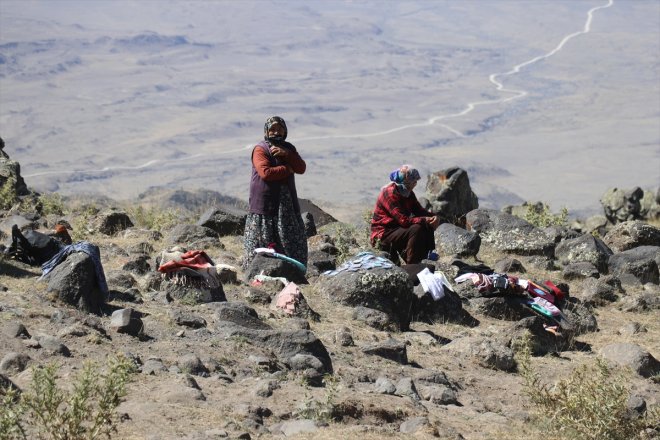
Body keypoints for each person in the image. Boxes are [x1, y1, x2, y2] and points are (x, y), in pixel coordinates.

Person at [243, 116, 308, 269]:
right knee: (264, 238)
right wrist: (287, 169)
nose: (276, 132)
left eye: (279, 129)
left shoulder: (289, 148)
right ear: (266, 131)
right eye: (272, 129)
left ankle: (292, 270)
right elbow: (266, 173)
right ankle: (258, 270)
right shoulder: (261, 149)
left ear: (285, 131)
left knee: (289, 237)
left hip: (286, 204)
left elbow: (301, 168)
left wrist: (287, 155)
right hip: (265, 204)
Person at [370, 165, 440, 264]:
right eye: (413, 181)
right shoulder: (389, 194)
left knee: (425, 224)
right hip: (383, 233)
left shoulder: (408, 193)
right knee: (416, 228)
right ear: (406, 182)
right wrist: (425, 220)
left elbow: (419, 211)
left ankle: (426, 256)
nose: (415, 184)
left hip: (396, 229)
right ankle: (412, 265)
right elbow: (403, 220)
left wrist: (433, 217)